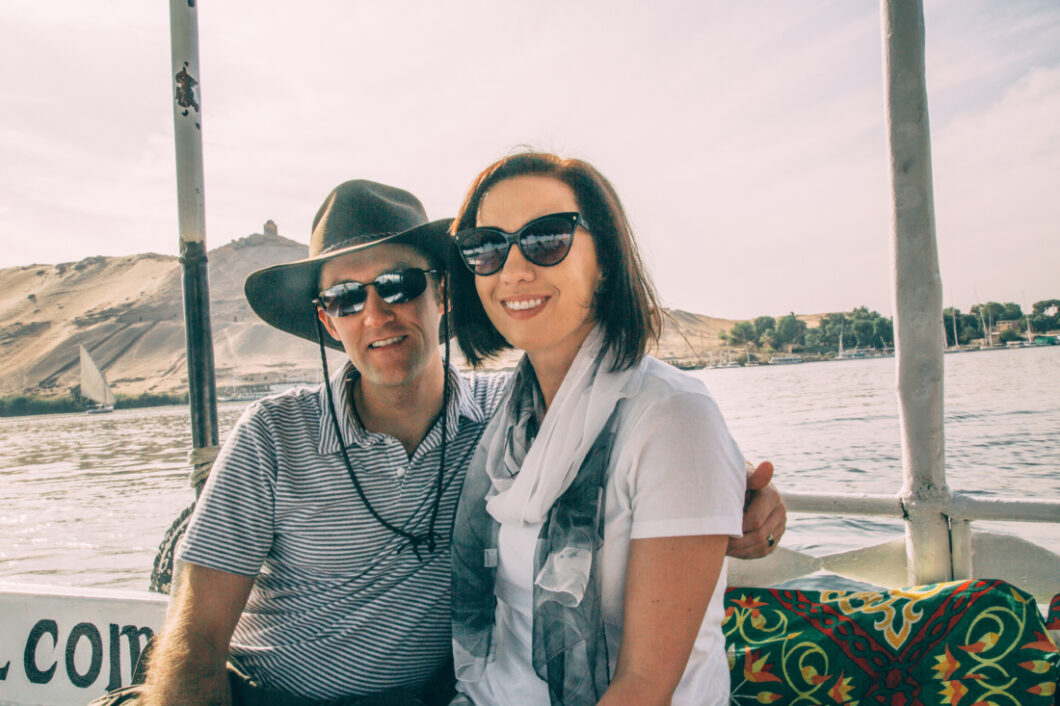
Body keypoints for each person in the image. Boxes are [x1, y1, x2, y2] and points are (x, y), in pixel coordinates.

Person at [129, 179, 785, 706]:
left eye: (396, 285)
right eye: (346, 298)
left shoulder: (509, 421)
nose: (376, 316)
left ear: (442, 290)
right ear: (327, 320)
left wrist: (751, 505)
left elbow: (660, 441)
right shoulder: (273, 436)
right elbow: (195, 634)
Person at [448, 152, 748, 705]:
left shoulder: (672, 419)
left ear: (605, 260)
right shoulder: (505, 421)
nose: (513, 270)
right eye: (486, 247)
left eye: (545, 240)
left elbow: (643, 687)